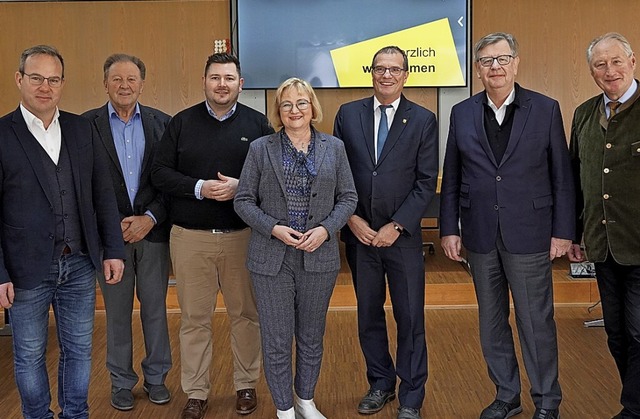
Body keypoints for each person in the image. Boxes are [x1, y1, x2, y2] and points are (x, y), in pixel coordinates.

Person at [439, 32, 575, 419]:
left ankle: (547, 401)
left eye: (502, 59)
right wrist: (449, 227)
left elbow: (561, 176)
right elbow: (452, 175)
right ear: (477, 70)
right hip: (480, 236)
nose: (494, 67)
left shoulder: (545, 108)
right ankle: (506, 395)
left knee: (536, 323)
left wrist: (563, 231)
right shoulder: (462, 113)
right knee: (492, 321)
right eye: (485, 61)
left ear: (516, 63)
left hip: (531, 233)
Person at [0, 45, 126, 418]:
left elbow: (103, 193)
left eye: (53, 79)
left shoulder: (80, 128)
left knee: (79, 350)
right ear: (19, 80)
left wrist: (113, 249)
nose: (45, 87)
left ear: (62, 84)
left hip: (80, 264)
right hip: (24, 271)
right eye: (36, 78)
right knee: (29, 354)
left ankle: (75, 414)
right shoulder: (2, 134)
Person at [151, 52, 273, 419]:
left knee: (245, 315)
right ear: (204, 81)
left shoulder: (258, 124)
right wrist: (200, 187)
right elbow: (159, 173)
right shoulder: (181, 123)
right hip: (191, 238)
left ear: (241, 83)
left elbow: (273, 179)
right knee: (194, 319)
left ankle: (246, 385)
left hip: (242, 237)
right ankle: (197, 392)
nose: (222, 84)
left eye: (229, 78)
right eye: (215, 77)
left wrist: (243, 187)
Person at [234, 77, 357, 419]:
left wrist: (325, 229)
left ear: (313, 107)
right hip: (271, 258)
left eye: (301, 103)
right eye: (286, 104)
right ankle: (284, 409)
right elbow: (243, 201)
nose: (294, 110)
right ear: (278, 111)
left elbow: (349, 197)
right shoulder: (260, 149)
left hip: (319, 256)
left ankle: (305, 401)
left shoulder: (335, 147)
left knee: (311, 336)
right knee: (276, 339)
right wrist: (273, 228)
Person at [333, 46, 439, 419]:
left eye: (394, 69)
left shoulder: (424, 119)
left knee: (410, 317)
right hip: (360, 237)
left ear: (406, 74)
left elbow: (426, 183)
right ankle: (380, 383)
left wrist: (396, 225)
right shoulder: (348, 115)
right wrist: (352, 219)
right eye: (380, 69)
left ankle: (411, 396)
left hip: (402, 238)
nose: (387, 75)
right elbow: (337, 173)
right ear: (371, 72)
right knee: (368, 315)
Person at [82, 53, 172, 411]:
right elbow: (82, 185)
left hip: (152, 233)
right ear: (105, 83)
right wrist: (112, 225)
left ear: (142, 84)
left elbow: (170, 182)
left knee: (155, 310)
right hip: (111, 240)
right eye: (116, 79)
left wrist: (150, 217)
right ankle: (121, 382)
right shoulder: (85, 127)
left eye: (131, 79)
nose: (124, 85)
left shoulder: (163, 124)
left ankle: (156, 378)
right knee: (116, 314)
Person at [568, 32, 640, 419]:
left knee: (639, 332)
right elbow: (574, 177)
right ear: (592, 71)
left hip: (639, 244)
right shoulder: (583, 114)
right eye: (600, 64)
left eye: (616, 62)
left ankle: (633, 408)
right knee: (616, 334)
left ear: (632, 62)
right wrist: (576, 231)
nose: (609, 71)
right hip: (602, 245)